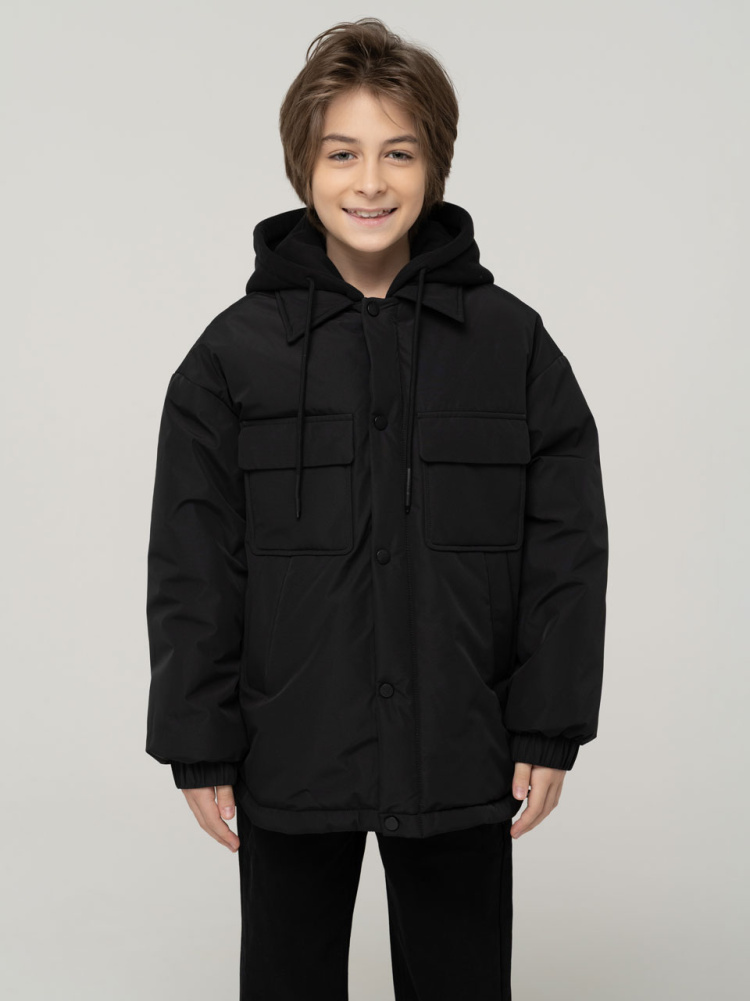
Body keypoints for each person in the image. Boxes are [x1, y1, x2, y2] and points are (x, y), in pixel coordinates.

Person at [145, 17, 609, 1001]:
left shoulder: (512, 346)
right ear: (302, 166)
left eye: (398, 152)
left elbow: (566, 548)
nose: (370, 182)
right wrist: (198, 737)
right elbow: (194, 558)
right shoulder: (233, 356)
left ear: (434, 164)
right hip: (290, 745)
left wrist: (547, 726)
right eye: (342, 152)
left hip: (461, 744)